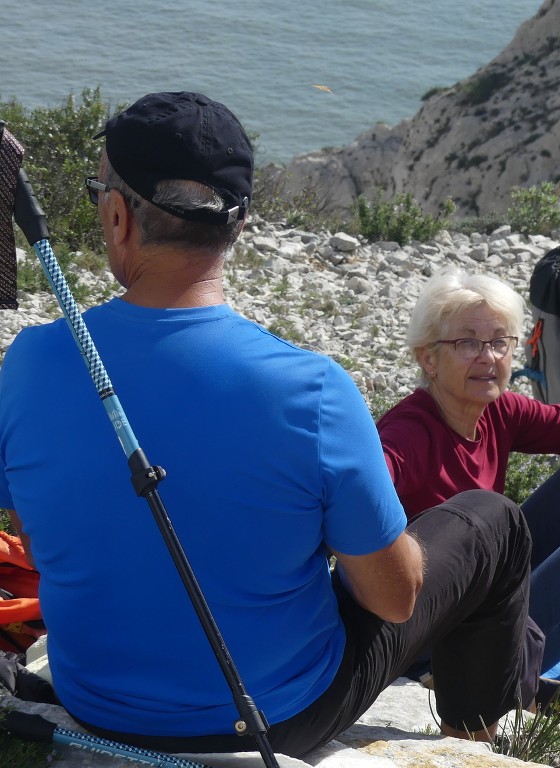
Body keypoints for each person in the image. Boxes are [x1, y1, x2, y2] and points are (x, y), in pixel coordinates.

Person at [0, 91, 533, 756]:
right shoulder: (313, 390)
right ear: (240, 223)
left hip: (96, 704)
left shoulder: (28, 365)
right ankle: (473, 736)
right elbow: (395, 600)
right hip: (275, 715)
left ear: (117, 215)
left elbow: (33, 527)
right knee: (491, 519)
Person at [375, 269, 560, 678]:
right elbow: (357, 493)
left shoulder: (499, 410)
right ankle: (505, 673)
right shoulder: (410, 434)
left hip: (485, 589)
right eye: (467, 342)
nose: (487, 357)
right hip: (443, 636)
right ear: (428, 358)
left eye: (498, 341)